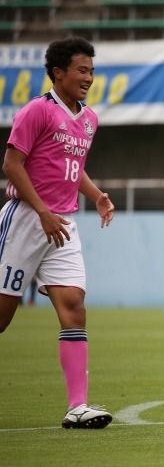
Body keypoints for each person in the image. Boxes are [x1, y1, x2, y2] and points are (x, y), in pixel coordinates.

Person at [0, 36, 114, 429]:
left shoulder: (89, 119)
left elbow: (72, 165)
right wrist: (43, 211)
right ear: (58, 72)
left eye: (92, 72)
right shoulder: (36, 111)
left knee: (74, 309)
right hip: (26, 221)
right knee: (1, 318)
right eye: (82, 71)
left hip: (62, 224)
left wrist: (96, 195)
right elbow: (13, 164)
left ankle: (76, 406)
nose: (88, 78)